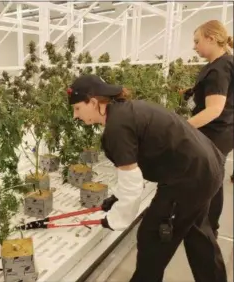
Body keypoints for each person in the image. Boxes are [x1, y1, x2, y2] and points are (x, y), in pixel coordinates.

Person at [67, 74, 227, 282]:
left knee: (152, 237)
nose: (75, 115)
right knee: (197, 231)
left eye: (77, 108)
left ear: (94, 102)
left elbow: (132, 184)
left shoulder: (116, 129)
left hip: (187, 180)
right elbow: (134, 170)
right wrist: (116, 197)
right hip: (209, 167)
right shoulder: (127, 110)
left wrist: (115, 219)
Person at [180, 20, 234, 237]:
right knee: (214, 177)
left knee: (209, 179)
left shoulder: (219, 68)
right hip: (225, 132)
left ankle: (206, 226)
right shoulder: (224, 64)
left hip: (216, 132)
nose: (194, 46)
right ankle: (207, 224)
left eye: (197, 41)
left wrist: (182, 127)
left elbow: (214, 110)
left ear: (211, 39)